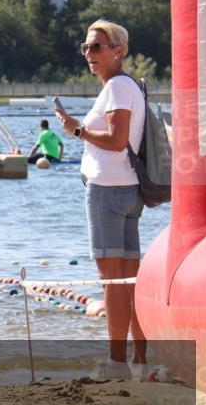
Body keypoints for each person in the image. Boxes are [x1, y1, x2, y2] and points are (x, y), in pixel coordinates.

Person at [55, 19, 147, 381]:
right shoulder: (127, 86)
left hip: (108, 193)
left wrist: (75, 129)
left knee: (113, 283)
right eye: (86, 48)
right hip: (128, 191)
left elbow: (116, 139)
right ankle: (139, 361)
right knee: (129, 281)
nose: (89, 54)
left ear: (118, 50)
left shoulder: (116, 89)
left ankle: (116, 364)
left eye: (97, 47)